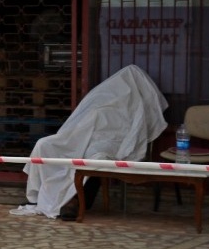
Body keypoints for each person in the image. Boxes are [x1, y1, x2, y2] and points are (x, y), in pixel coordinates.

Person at [9, 64, 169, 220]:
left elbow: (132, 137)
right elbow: (77, 126)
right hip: (78, 141)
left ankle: (75, 201)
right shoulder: (101, 100)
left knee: (95, 157)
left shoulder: (136, 111)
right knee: (43, 144)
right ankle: (37, 197)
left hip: (106, 147)